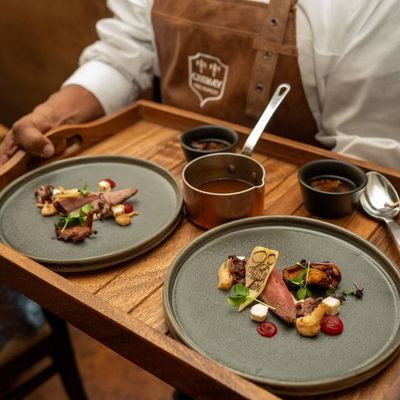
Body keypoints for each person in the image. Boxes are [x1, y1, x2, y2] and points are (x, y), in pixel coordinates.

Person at [0, 0, 399, 169]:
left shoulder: (370, 8)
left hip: (299, 210)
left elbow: (367, 159)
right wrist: (55, 114)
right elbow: (124, 53)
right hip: (169, 173)